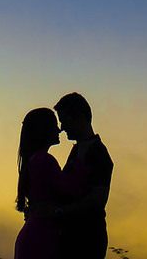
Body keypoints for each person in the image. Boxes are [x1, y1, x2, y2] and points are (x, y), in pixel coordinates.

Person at [14, 107, 88, 259]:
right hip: (41, 238)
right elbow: (72, 189)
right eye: (55, 125)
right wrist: (81, 160)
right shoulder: (43, 160)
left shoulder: (34, 160)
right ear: (44, 130)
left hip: (35, 235)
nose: (59, 129)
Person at [53, 92, 113, 259]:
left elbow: (98, 199)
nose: (62, 127)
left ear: (79, 117)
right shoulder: (77, 150)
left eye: (65, 121)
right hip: (72, 237)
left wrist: (59, 211)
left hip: (87, 240)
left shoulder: (99, 153)